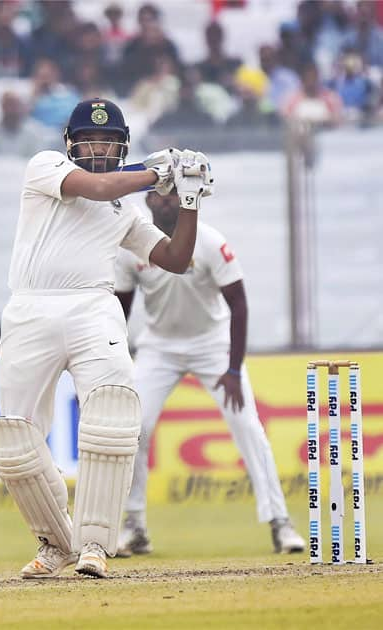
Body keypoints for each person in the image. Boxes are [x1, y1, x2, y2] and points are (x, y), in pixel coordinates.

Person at [0, 97, 210, 580]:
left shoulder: (124, 212)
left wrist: (188, 198)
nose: (99, 149)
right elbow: (99, 184)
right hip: (29, 307)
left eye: (109, 142)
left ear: (122, 145)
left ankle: (93, 545)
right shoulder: (45, 167)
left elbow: (175, 260)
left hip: (94, 307)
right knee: (14, 439)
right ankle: (55, 544)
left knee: (110, 417)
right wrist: (158, 172)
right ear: (71, 144)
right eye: (90, 140)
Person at [114, 189, 306, 557]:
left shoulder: (210, 241)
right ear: (149, 201)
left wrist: (233, 369)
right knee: (133, 428)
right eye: (160, 195)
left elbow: (239, 303)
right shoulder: (132, 245)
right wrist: (112, 365)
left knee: (247, 425)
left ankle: (280, 523)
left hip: (212, 345)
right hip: (158, 347)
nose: (168, 201)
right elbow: (118, 312)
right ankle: (134, 526)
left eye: (174, 195)